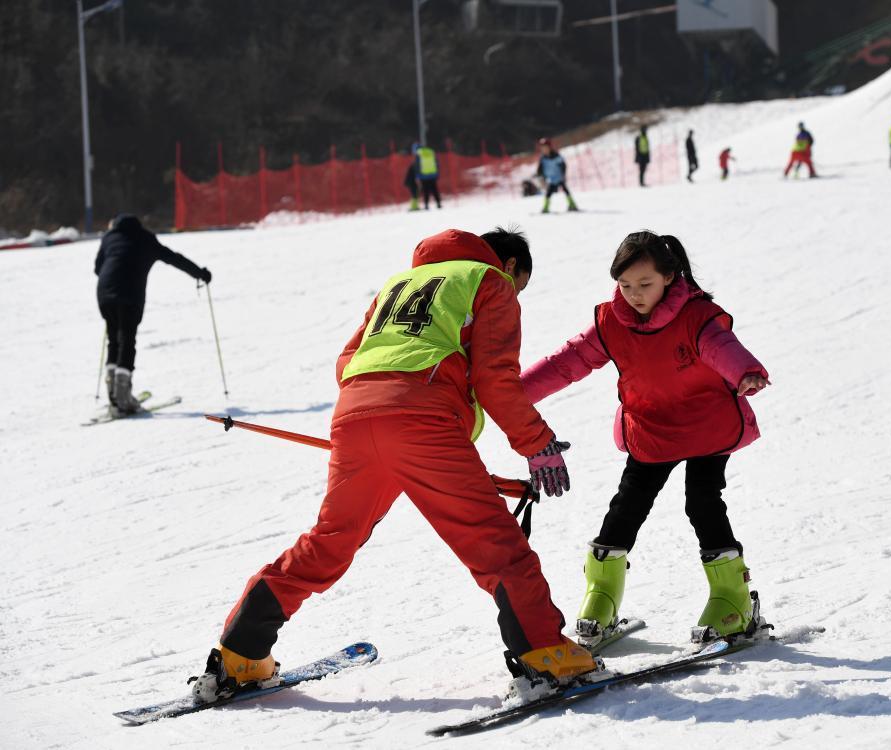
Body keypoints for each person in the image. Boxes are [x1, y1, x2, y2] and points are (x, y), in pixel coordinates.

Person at [190, 228, 597, 703]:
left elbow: (349, 360)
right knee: (497, 545)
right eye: (519, 283)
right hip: (423, 424)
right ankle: (545, 654)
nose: (516, 292)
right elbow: (495, 378)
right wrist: (537, 444)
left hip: (356, 418)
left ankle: (240, 655)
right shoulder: (490, 281)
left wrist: (384, 423)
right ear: (508, 266)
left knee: (330, 542)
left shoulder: (400, 283)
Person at [520, 231, 771, 648]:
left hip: (706, 428)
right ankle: (600, 598)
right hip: (651, 431)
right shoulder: (610, 322)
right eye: (625, 285)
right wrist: (510, 394)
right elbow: (567, 363)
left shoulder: (698, 316)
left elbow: (720, 346)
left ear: (670, 277)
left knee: (703, 503)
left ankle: (733, 599)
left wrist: (745, 371)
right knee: (626, 508)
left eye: (644, 284)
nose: (634, 295)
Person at [93, 214, 210, 414]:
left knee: (114, 340)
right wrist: (200, 273)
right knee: (127, 340)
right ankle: (123, 397)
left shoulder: (109, 237)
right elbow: (174, 259)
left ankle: (114, 394)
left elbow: (98, 268)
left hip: (104, 294)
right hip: (129, 294)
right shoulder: (146, 239)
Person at [536, 138, 578, 213]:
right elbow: (540, 170)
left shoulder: (556, 156)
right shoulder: (543, 158)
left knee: (565, 190)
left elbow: (563, 165)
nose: (544, 149)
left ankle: (572, 204)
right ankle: (546, 207)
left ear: (549, 147)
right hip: (551, 179)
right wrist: (542, 178)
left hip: (559, 177)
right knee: (548, 193)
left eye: (546, 147)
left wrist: (563, 174)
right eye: (542, 148)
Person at [413, 143, 442, 209]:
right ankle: (438, 204)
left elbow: (417, 165)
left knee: (426, 191)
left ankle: (426, 205)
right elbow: (436, 162)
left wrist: (417, 175)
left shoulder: (418, 154)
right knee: (435, 190)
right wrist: (437, 173)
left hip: (424, 175)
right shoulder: (431, 152)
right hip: (433, 174)